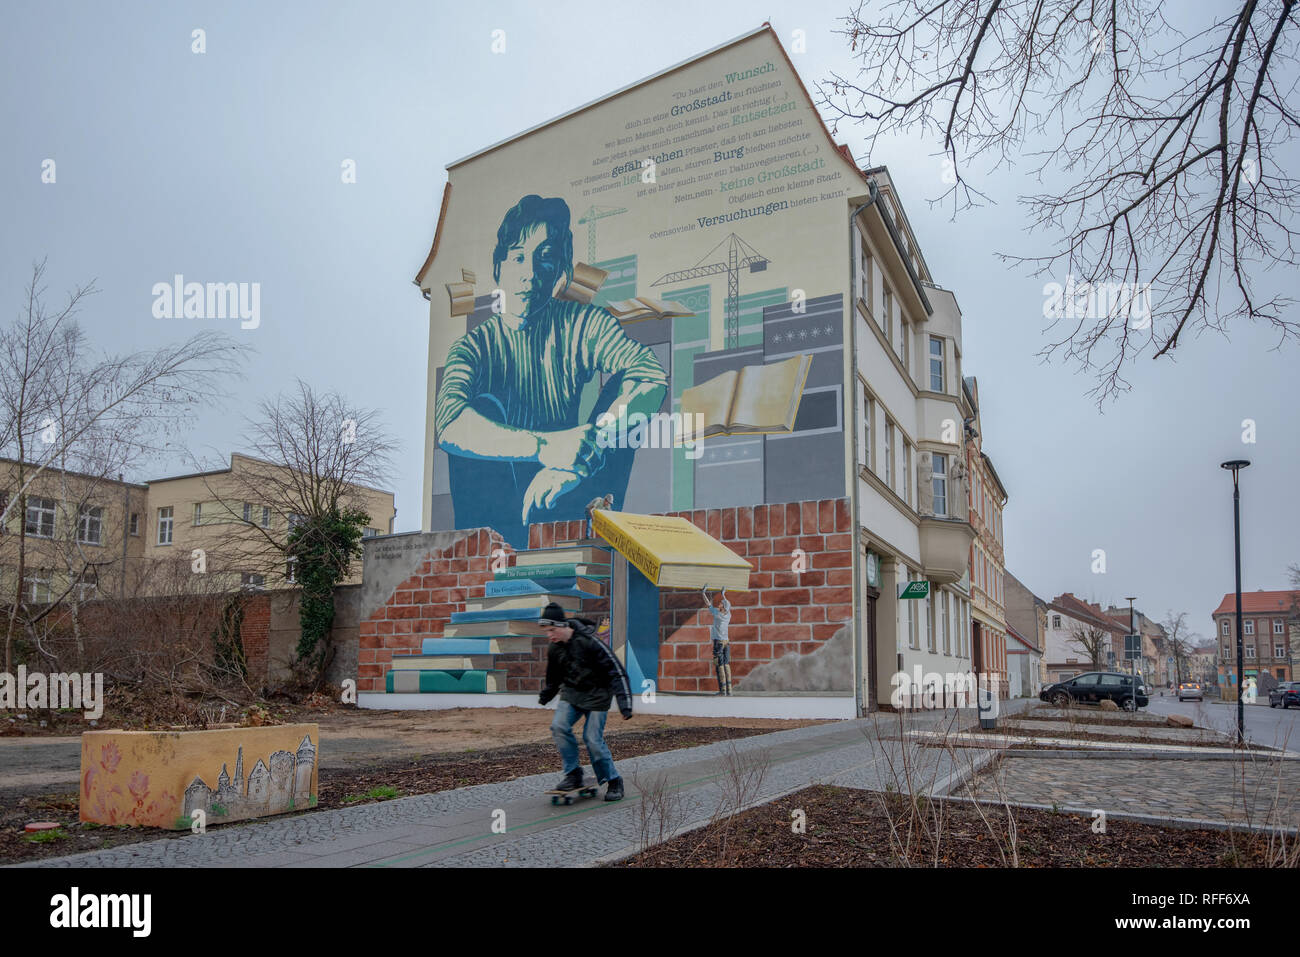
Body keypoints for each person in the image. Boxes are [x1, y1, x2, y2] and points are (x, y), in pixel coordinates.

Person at [434, 195, 668, 548]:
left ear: (560, 269)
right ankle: (488, 564)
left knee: (627, 386)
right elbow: (449, 424)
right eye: (517, 257)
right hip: (501, 512)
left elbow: (650, 377)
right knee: (478, 411)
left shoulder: (582, 323)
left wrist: (582, 454)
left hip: (568, 492)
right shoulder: (473, 348)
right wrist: (545, 447)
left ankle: (595, 542)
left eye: (544, 257)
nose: (529, 272)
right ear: (498, 268)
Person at [537, 603, 632, 800]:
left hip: (598, 695)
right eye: (546, 632)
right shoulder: (555, 649)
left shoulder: (590, 642)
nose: (550, 635)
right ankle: (573, 774)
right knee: (558, 726)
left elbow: (617, 671)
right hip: (572, 694)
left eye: (552, 630)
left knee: (592, 739)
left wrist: (625, 704)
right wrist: (546, 695)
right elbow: (554, 678)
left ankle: (613, 780)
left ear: (563, 625)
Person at [702, 586, 732, 696]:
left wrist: (703, 593)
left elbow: (708, 604)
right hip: (726, 642)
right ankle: (729, 689)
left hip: (718, 643)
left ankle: (722, 690)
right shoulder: (728, 615)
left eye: (721, 604)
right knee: (726, 664)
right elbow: (728, 605)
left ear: (723, 607)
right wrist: (723, 594)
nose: (718, 604)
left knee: (719, 665)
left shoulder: (717, 614)